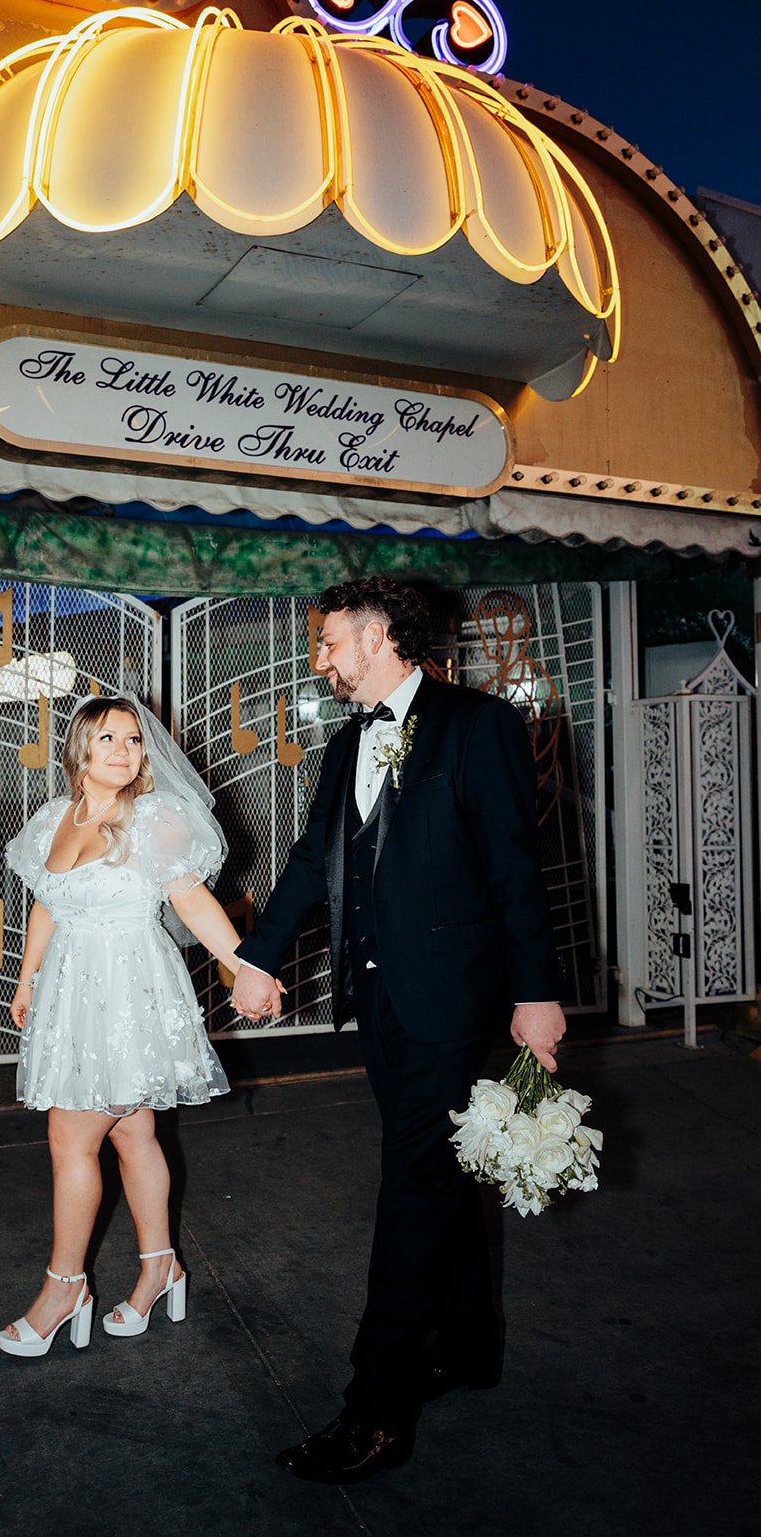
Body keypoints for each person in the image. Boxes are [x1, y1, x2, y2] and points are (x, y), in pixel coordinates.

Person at [231, 577, 566, 1484]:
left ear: (378, 637)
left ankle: (375, 1414)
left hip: (452, 1001)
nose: (321, 660)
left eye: (330, 643)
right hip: (377, 999)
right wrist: (258, 957)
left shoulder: (478, 723)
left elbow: (511, 867)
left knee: (411, 1188)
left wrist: (535, 992)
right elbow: (312, 862)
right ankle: (467, 1349)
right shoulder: (345, 746)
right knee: (444, 1170)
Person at [0, 695, 267, 1357]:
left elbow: (195, 905)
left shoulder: (154, 820)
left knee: (69, 1138)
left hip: (128, 994)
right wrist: (26, 978)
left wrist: (244, 967)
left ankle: (64, 1288)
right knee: (133, 1134)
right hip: (70, 993)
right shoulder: (53, 819)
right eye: (109, 738)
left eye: (135, 741)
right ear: (80, 750)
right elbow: (45, 905)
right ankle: (159, 1268)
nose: (124, 751)